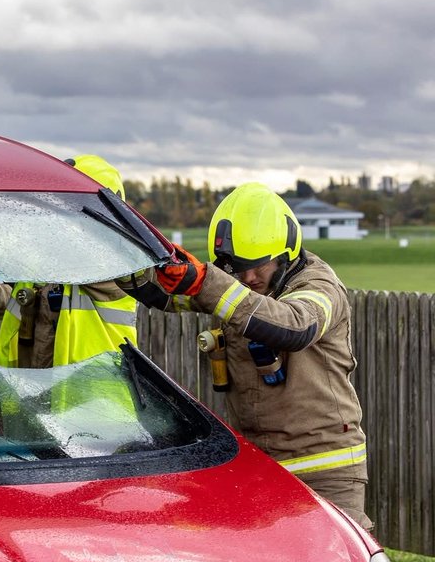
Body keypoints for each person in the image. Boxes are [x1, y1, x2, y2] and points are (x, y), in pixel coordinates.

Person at [123, 182, 372, 530]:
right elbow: (163, 295)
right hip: (259, 466)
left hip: (324, 469)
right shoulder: (239, 283)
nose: (248, 277)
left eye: (257, 266)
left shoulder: (320, 286)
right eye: (238, 268)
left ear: (287, 253)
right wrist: (134, 263)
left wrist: (208, 283)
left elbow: (294, 327)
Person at [0, 155, 138, 368]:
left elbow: (85, 252)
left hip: (96, 397)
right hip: (33, 393)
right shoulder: (40, 266)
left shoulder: (114, 262)